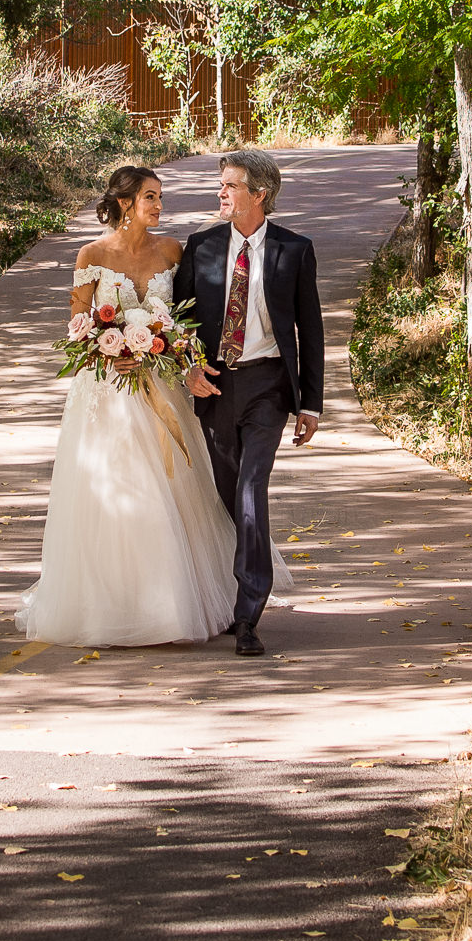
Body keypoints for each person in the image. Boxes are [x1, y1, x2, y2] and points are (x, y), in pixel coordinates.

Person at [16, 166, 290, 647]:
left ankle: (177, 603)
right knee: (116, 492)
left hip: (161, 389)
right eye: (150, 197)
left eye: (160, 197)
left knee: (173, 495)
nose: (159, 206)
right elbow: (78, 324)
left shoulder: (172, 251)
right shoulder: (92, 254)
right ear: (124, 203)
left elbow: (191, 318)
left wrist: (172, 352)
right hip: (107, 392)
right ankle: (112, 606)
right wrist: (108, 348)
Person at [175, 149, 323, 658]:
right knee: (225, 496)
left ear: (259, 194)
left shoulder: (295, 250)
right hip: (215, 386)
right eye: (220, 184)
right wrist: (187, 369)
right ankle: (225, 592)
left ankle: (248, 614)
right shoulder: (201, 247)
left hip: (268, 387)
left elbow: (311, 331)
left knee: (251, 488)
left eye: (230, 185)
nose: (221, 193)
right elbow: (178, 323)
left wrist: (311, 404)